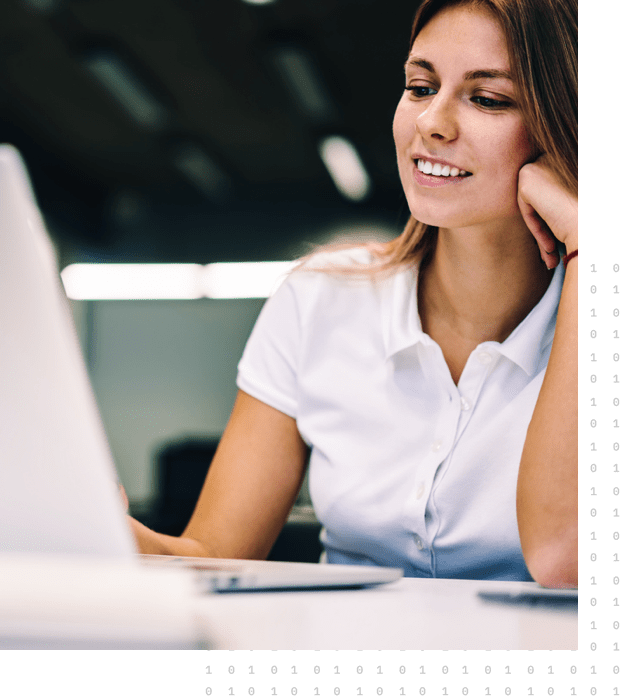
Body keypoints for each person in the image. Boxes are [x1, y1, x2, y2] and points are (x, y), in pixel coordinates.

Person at [129, 0, 578, 588]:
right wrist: (107, 531)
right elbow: (213, 551)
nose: (432, 122)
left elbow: (566, 558)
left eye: (487, 99)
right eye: (420, 87)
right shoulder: (320, 298)